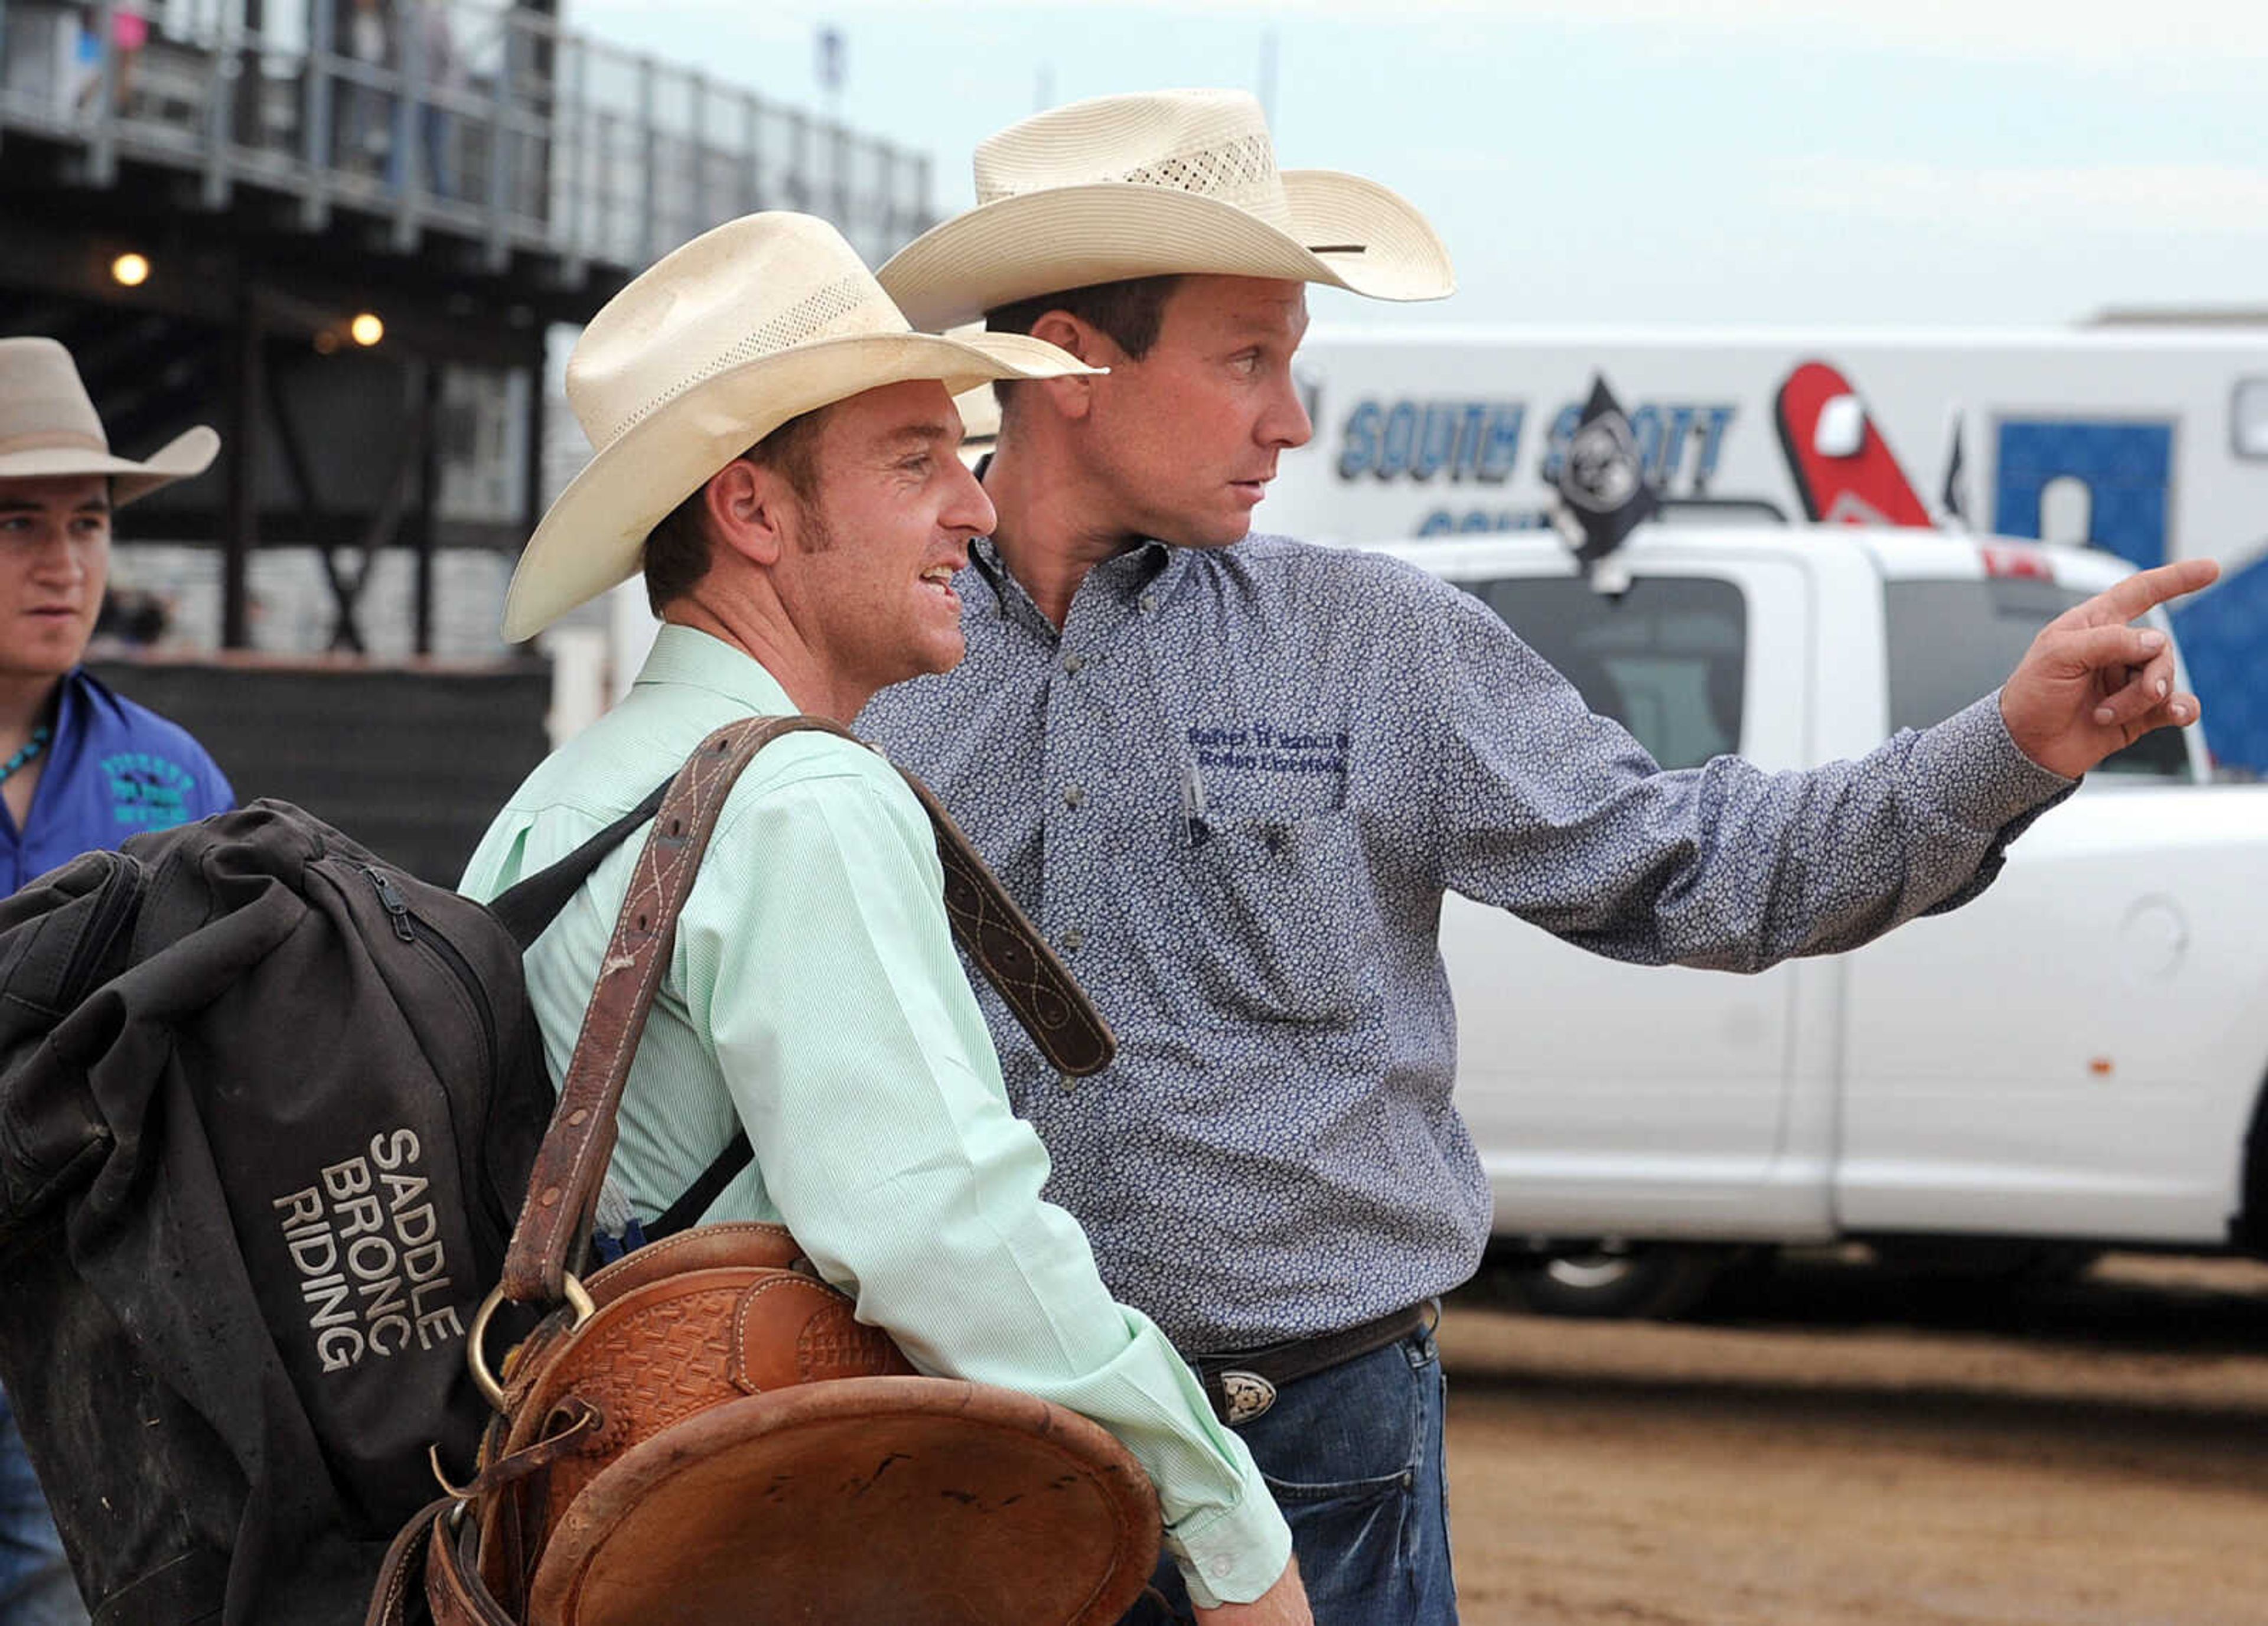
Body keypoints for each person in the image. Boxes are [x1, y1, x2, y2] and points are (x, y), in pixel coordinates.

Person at [857, 88, 2222, 1625]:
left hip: (1307, 1437)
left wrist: (2008, 746)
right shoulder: (860, 659)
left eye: (1290, 364)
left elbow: (1700, 865)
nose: (1291, 420)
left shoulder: (1375, 646)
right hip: (951, 1442)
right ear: (1077, 363)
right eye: (1250, 359)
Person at [459, 212, 1312, 1624]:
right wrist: (1225, 1518)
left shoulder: (569, 795)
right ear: (752, 512)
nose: (972, 509)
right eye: (914, 462)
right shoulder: (803, 803)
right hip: (772, 1545)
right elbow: (944, 1230)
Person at [0, 335, 235, 1624]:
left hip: (87, 1321)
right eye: (18, 522)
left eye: (87, 523)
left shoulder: (175, 778)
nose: (65, 562)